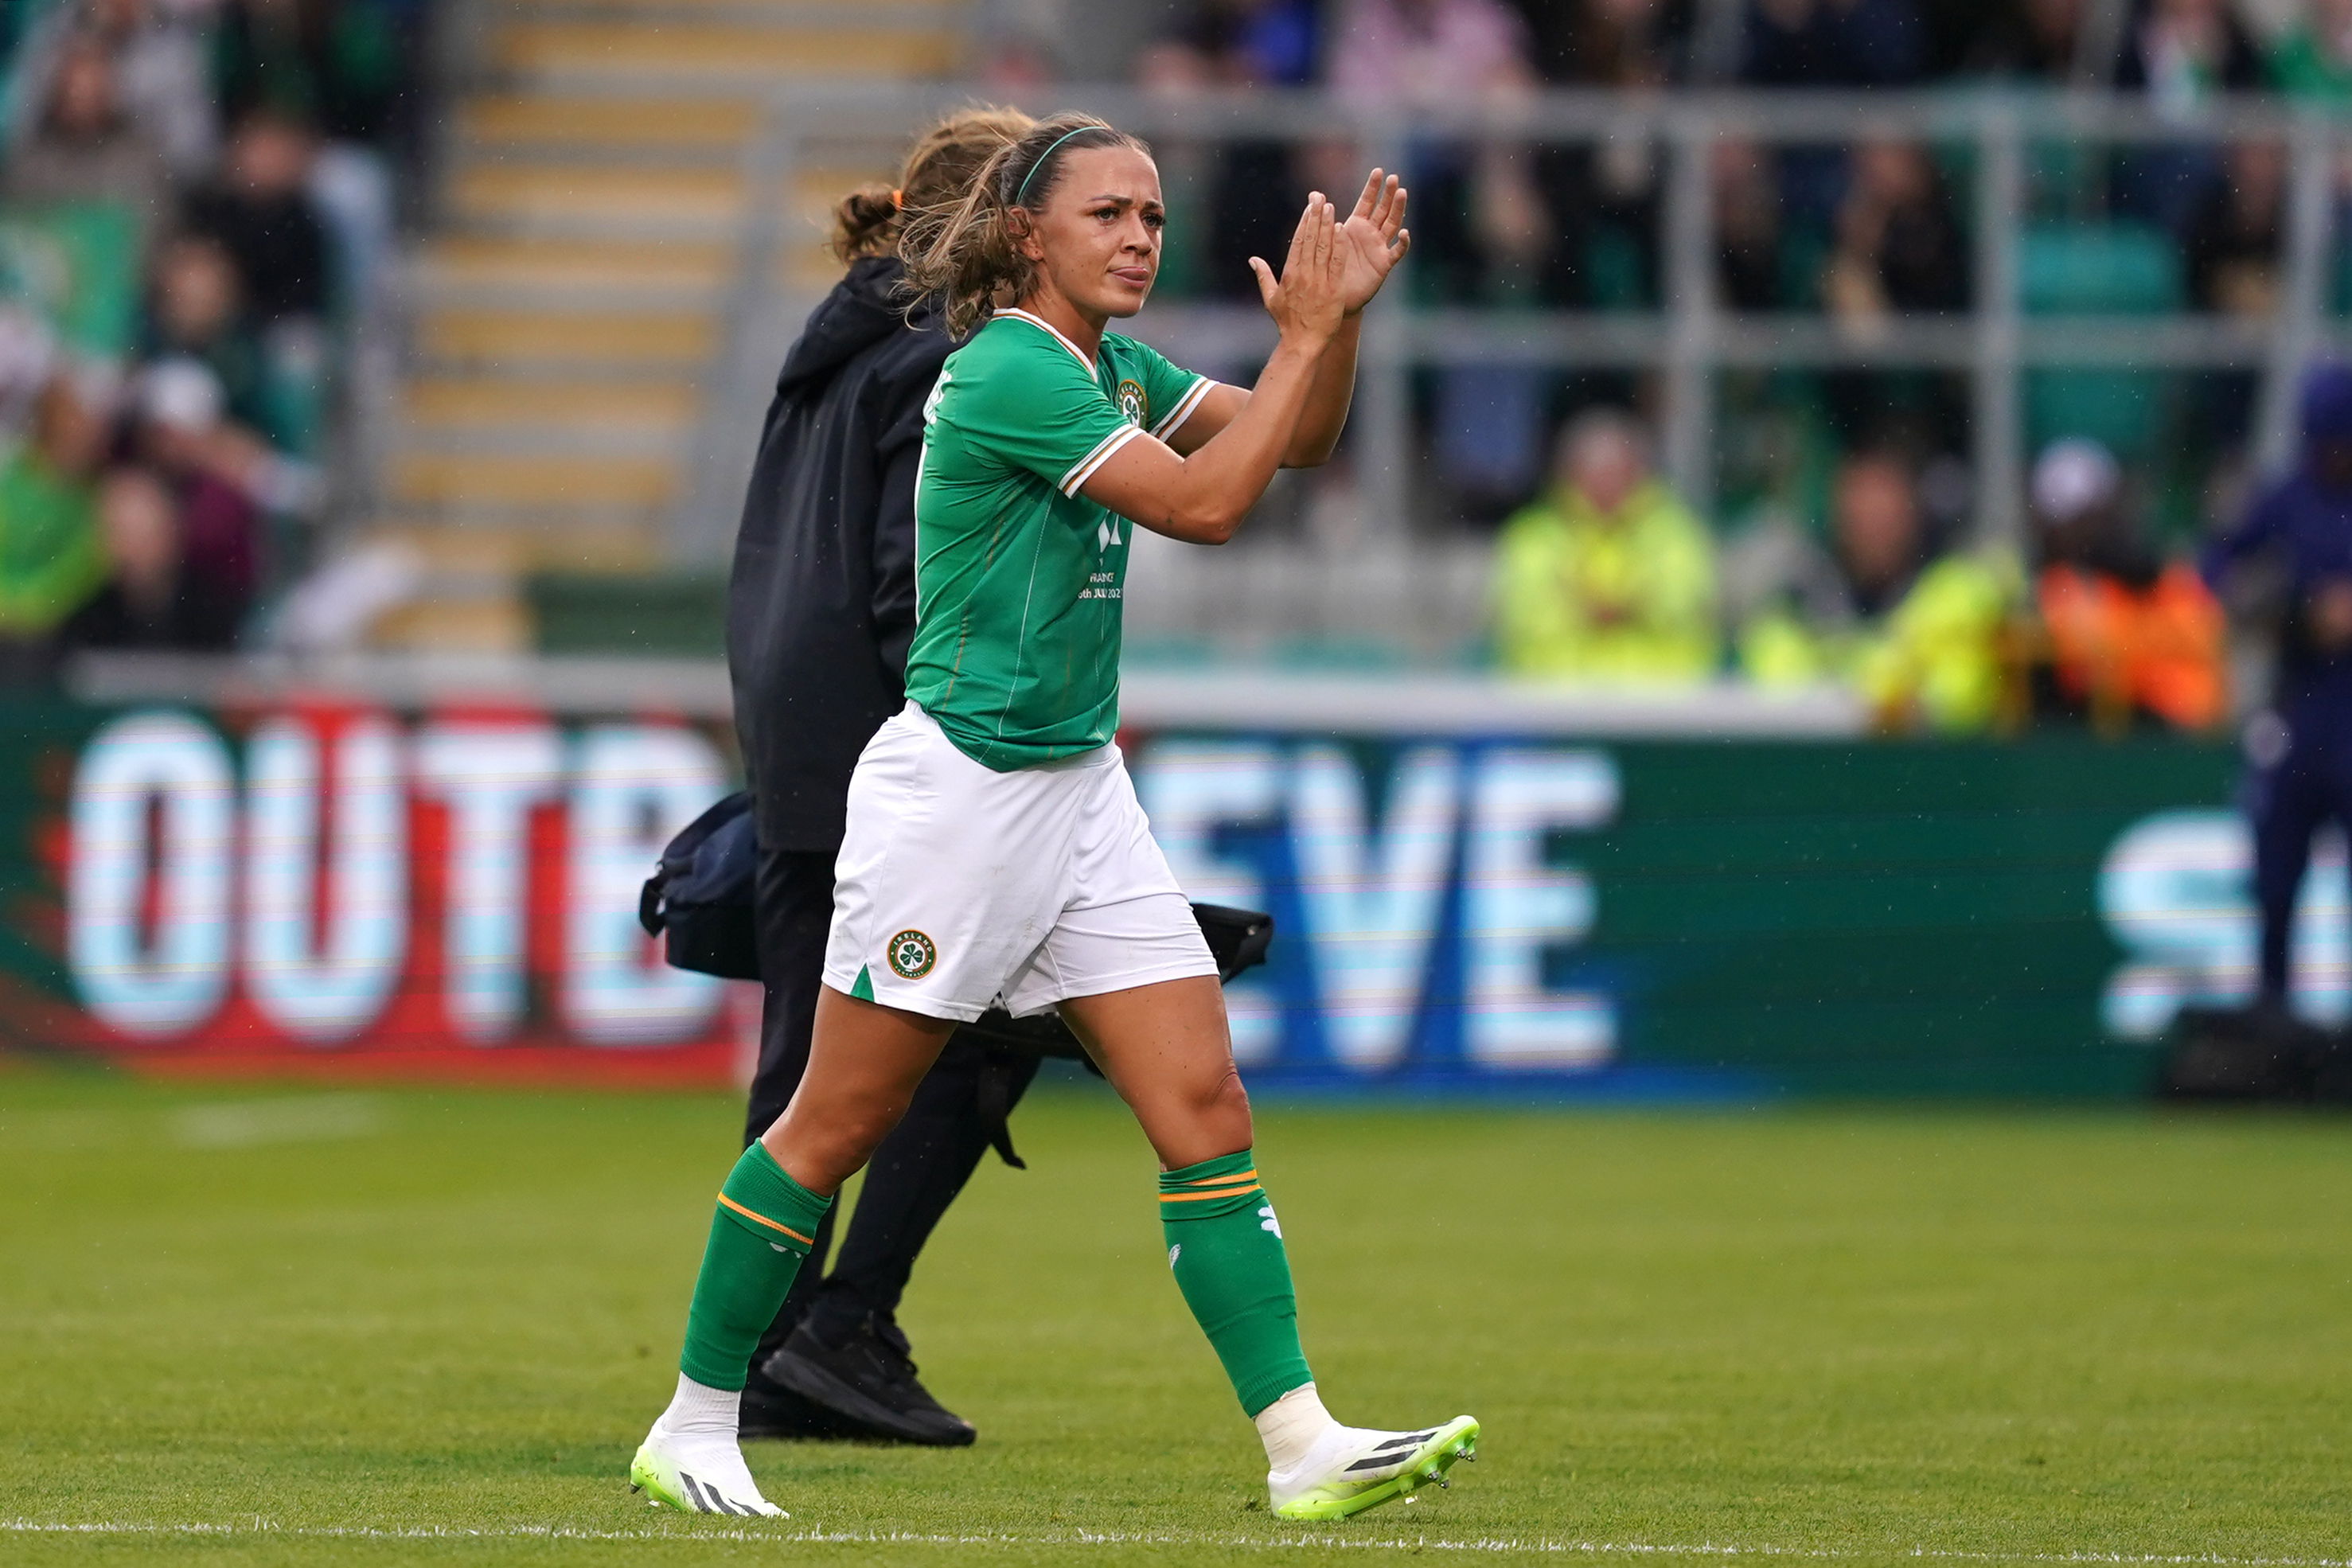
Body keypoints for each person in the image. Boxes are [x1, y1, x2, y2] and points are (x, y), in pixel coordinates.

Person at [628, 112, 1478, 1523]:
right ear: (1029, 236)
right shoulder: (1010, 368)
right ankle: (694, 1421)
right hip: (959, 799)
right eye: (1108, 214)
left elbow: (1302, 448)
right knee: (832, 1122)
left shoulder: (1114, 362)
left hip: (1078, 791)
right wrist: (1296, 348)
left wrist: (1330, 335)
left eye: (1152, 214)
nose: (1141, 235)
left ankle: (1302, 1441)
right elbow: (1208, 505)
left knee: (1203, 1105)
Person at [724, 105, 1046, 1449]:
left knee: (821, 1061)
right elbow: (916, 590)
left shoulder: (840, 342)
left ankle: (791, 1339)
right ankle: (820, 1335)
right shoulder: (941, 359)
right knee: (972, 1032)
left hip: (807, 741)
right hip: (893, 754)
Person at [2202, 365, 2352, 1011]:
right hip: (2301, 705)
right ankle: (2271, 1025)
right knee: (2274, 876)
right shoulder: (2284, 497)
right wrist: (2295, 608)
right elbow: (2214, 574)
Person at [1736, 447, 2012, 730]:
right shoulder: (1798, 594)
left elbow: (1957, 695)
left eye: (1886, 516)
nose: (1874, 530)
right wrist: (1889, 680)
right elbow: (1779, 685)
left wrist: (1843, 670)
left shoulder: (1957, 588)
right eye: (1862, 516)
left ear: (1912, 516)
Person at [1491, 408, 1718, 681]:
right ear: (1571, 472)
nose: (1607, 482)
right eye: (1596, 470)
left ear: (1638, 471)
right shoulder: (1533, 535)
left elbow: (1683, 604)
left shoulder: (1675, 531)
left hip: (1661, 701)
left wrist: (1603, 606)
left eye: (1617, 470)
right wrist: (1622, 608)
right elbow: (1524, 615)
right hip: (1554, 701)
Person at [2029, 437, 2224, 731]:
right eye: (2070, 522)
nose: (2077, 534)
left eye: (2089, 518)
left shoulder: (2164, 577)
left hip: (2168, 731)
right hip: (2112, 726)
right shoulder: (2061, 582)